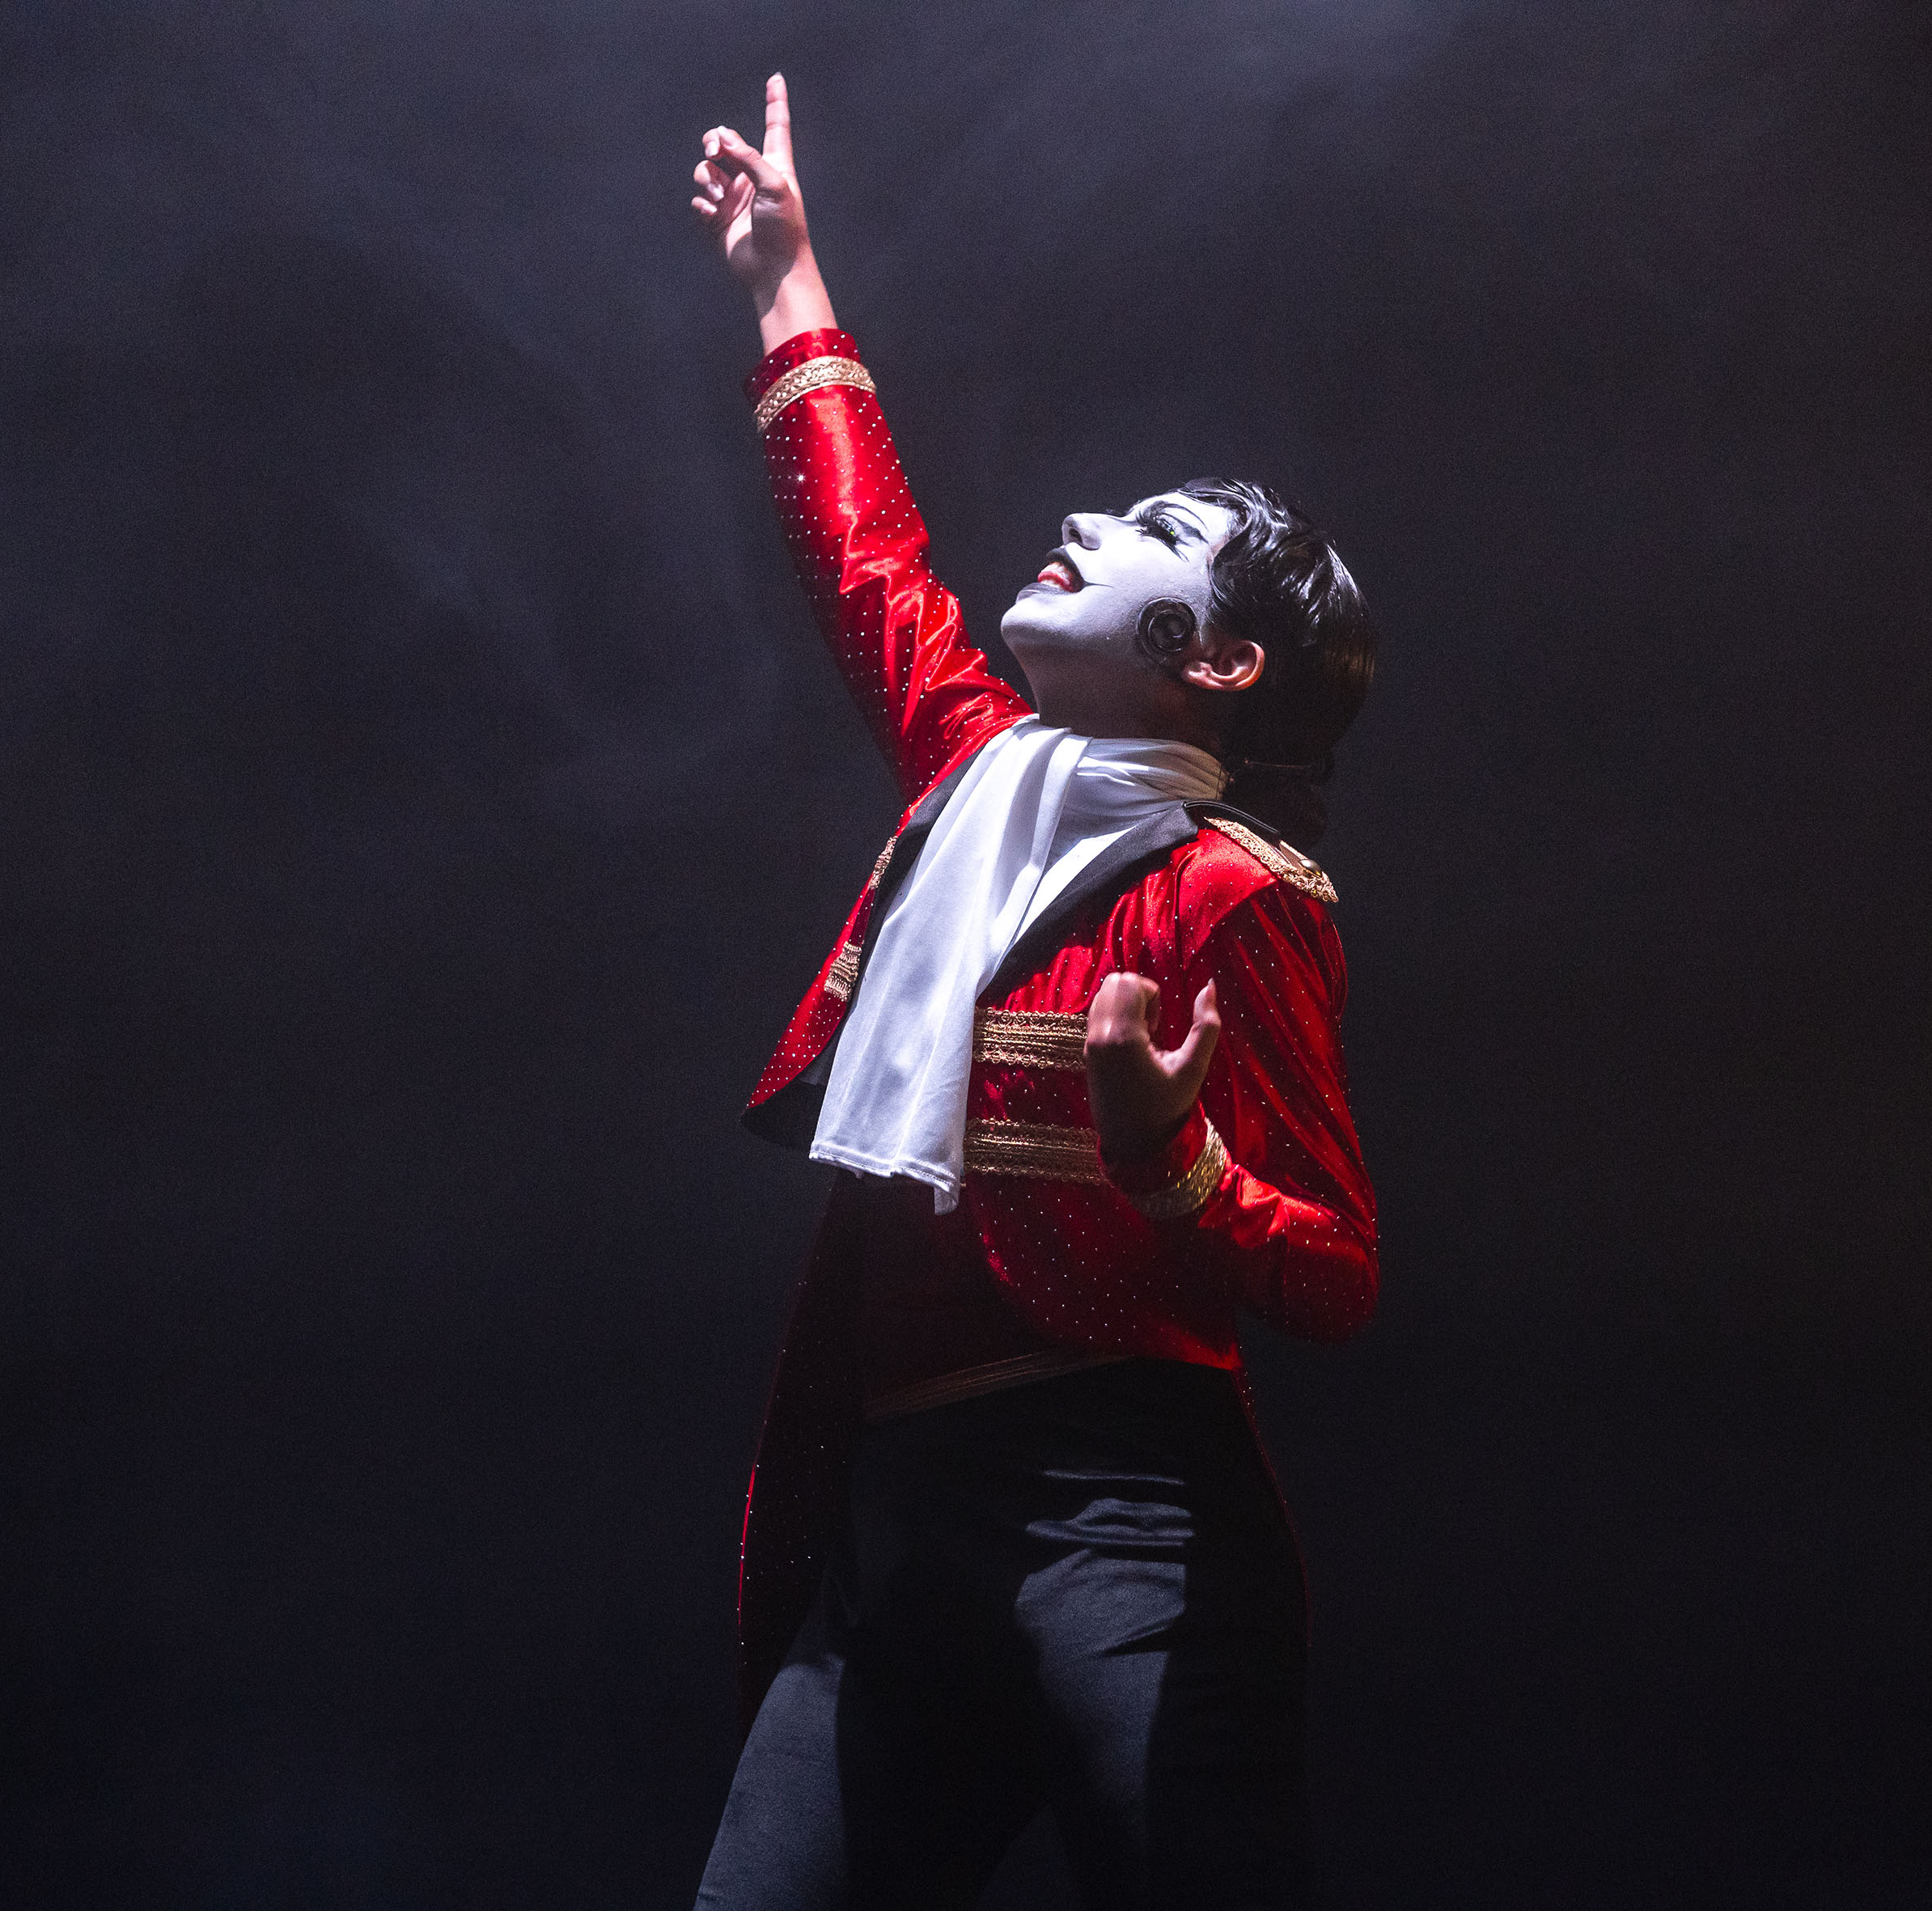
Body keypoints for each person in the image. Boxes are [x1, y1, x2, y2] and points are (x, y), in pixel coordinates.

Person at [685, 75, 1380, 1909]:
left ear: (1219, 660)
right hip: (898, 1518)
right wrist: (786, 281)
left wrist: (1175, 1165)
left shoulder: (1229, 893)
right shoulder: (977, 770)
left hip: (1118, 1522)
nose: (1085, 511)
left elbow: (1335, 1270)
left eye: (1151, 527)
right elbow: (867, 563)